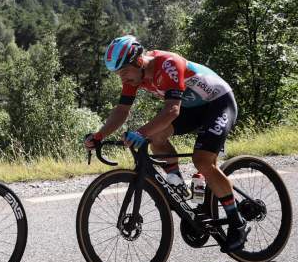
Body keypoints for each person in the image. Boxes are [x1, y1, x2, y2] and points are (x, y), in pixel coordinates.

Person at [86, 35, 248, 251]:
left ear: (137, 61)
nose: (123, 79)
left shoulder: (168, 64)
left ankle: (237, 222)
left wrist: (140, 132)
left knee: (202, 161)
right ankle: (177, 184)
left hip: (218, 103)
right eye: (118, 74)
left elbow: (172, 110)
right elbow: (122, 111)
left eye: (124, 72)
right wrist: (98, 136)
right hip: (192, 110)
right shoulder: (135, 77)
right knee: (156, 138)